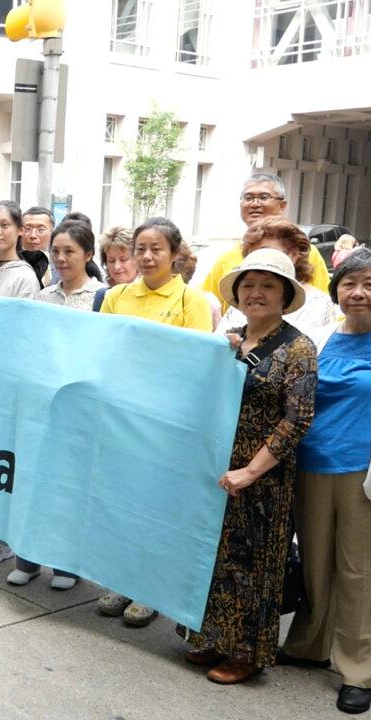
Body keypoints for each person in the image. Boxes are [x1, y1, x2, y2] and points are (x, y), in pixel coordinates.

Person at [184, 248, 318, 684]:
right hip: (218, 468)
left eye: (267, 285)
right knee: (215, 554)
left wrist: (251, 471)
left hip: (263, 477)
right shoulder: (233, 338)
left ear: (284, 294)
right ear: (237, 293)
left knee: (252, 563)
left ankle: (246, 652)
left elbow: (297, 419)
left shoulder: (299, 348)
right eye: (248, 284)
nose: (256, 293)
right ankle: (212, 637)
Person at [97, 218, 213, 625]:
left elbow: (196, 367)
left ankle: (151, 589)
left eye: (156, 249)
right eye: (140, 248)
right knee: (121, 502)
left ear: (175, 254)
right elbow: (105, 354)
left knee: (156, 507)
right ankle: (121, 579)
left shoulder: (191, 302)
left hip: (164, 424)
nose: (146, 257)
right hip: (121, 418)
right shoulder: (116, 296)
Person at [280, 247, 371, 715]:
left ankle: (357, 669)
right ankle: (309, 647)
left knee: (357, 572)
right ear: (336, 290)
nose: (358, 293)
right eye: (350, 284)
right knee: (314, 562)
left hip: (361, 475)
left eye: (369, 285)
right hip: (312, 464)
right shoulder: (321, 336)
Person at [6, 220, 106, 589]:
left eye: (70, 252)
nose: (61, 259)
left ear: (88, 255)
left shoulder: (103, 298)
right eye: (57, 251)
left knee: (69, 488)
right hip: (41, 406)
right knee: (32, 482)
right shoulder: (41, 298)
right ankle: (28, 558)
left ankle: (66, 564)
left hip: (80, 410)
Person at [200, 173, 331, 312]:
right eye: (248, 198)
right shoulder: (227, 258)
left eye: (263, 197)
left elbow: (323, 305)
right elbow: (208, 307)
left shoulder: (304, 253)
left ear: (282, 205)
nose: (255, 204)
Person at [216, 217, 337, 335]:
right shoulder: (244, 300)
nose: (258, 260)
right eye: (251, 254)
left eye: (266, 252)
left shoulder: (318, 305)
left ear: (293, 255)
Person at [92, 226, 136, 311]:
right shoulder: (102, 296)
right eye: (111, 261)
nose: (117, 267)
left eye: (123, 260)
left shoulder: (149, 293)